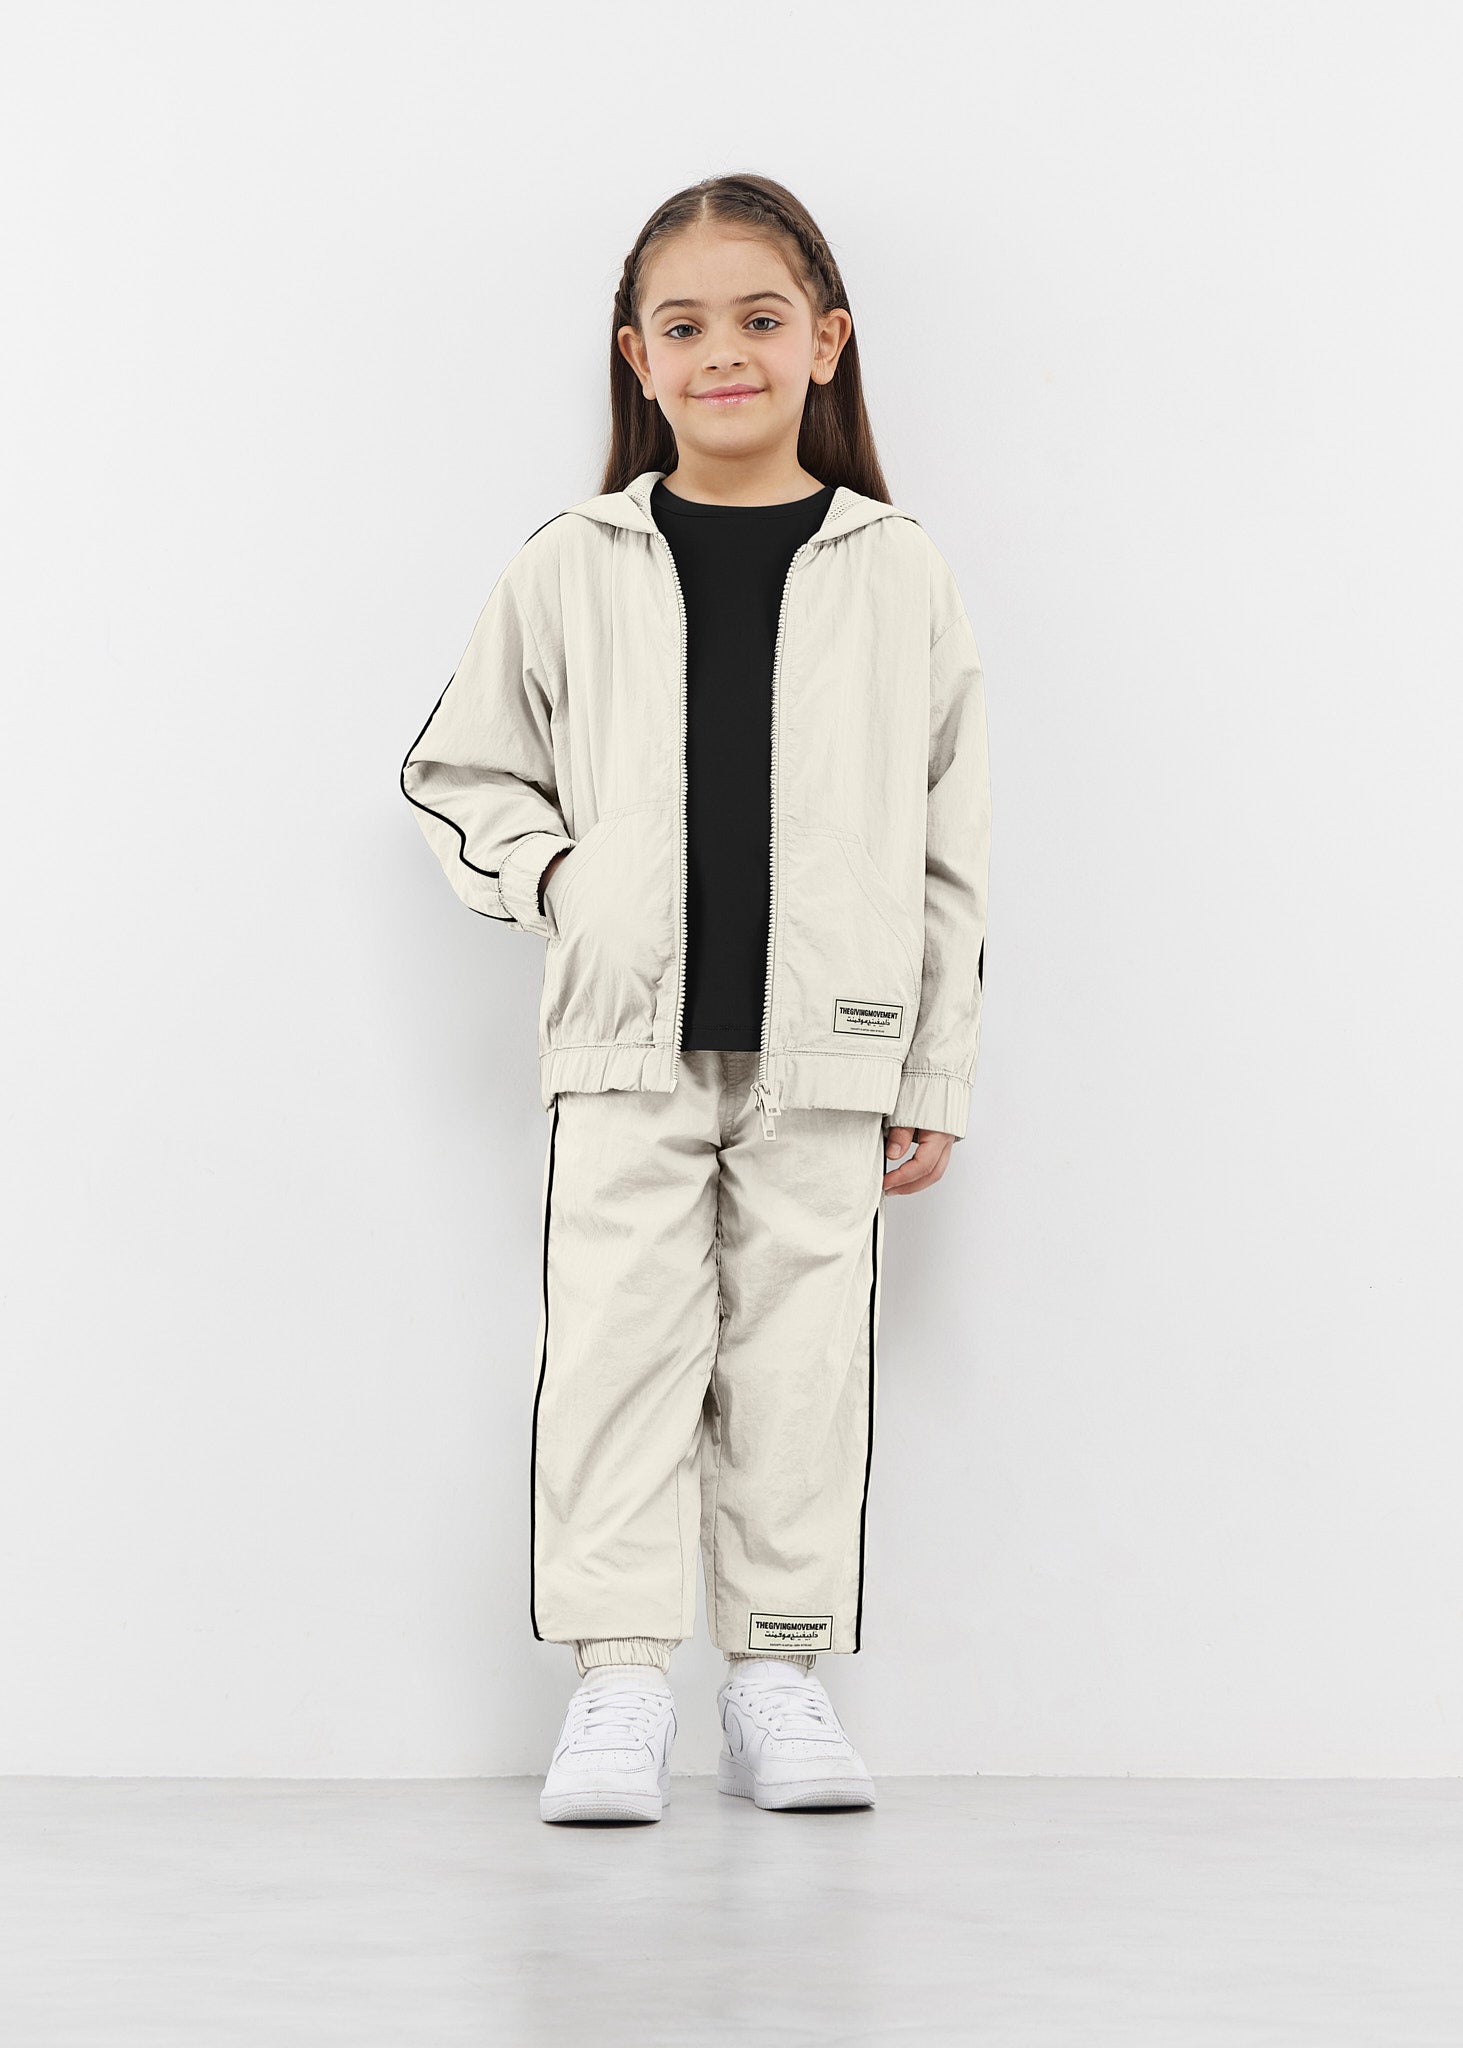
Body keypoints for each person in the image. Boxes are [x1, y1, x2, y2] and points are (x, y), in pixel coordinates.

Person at [400, 172, 991, 1824]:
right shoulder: (574, 561)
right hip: (624, 1050)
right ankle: (617, 1682)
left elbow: (950, 840)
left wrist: (936, 1067)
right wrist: (564, 884)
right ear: (637, 359)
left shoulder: (897, 569)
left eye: (759, 318)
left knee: (801, 1368)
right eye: (685, 325)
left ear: (826, 341)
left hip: (834, 1051)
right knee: (615, 1356)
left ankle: (777, 1682)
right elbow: (460, 772)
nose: (724, 350)